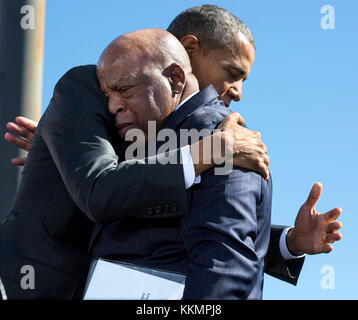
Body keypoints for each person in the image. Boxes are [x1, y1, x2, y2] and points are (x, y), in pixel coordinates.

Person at [5, 4, 342, 288]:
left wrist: (287, 243)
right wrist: (208, 152)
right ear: (188, 53)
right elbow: (100, 188)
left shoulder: (208, 134)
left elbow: (194, 233)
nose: (238, 92)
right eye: (232, 72)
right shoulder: (88, 88)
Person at [89, 28, 272, 299]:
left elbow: (223, 266)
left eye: (125, 89)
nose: (114, 105)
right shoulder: (144, 136)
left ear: (175, 77)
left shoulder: (222, 134)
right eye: (108, 96)